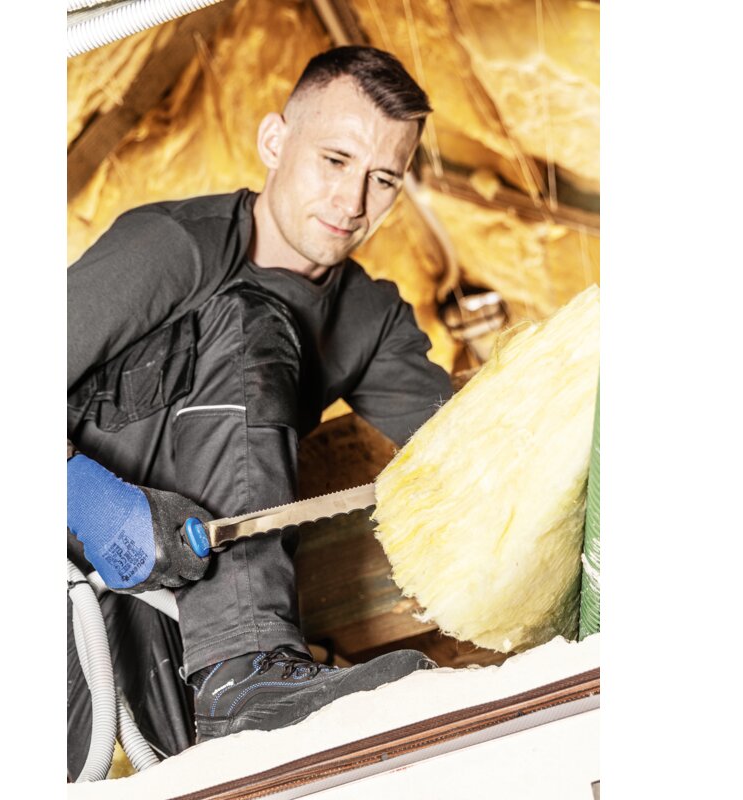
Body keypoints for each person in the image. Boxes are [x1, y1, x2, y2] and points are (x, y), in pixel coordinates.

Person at [65, 46, 453, 761]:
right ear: (275, 142)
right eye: (335, 160)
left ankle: (245, 677)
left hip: (175, 635)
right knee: (251, 314)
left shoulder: (369, 319)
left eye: (383, 179)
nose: (352, 202)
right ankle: (243, 670)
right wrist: (82, 494)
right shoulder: (175, 247)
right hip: (67, 593)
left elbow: (475, 447)